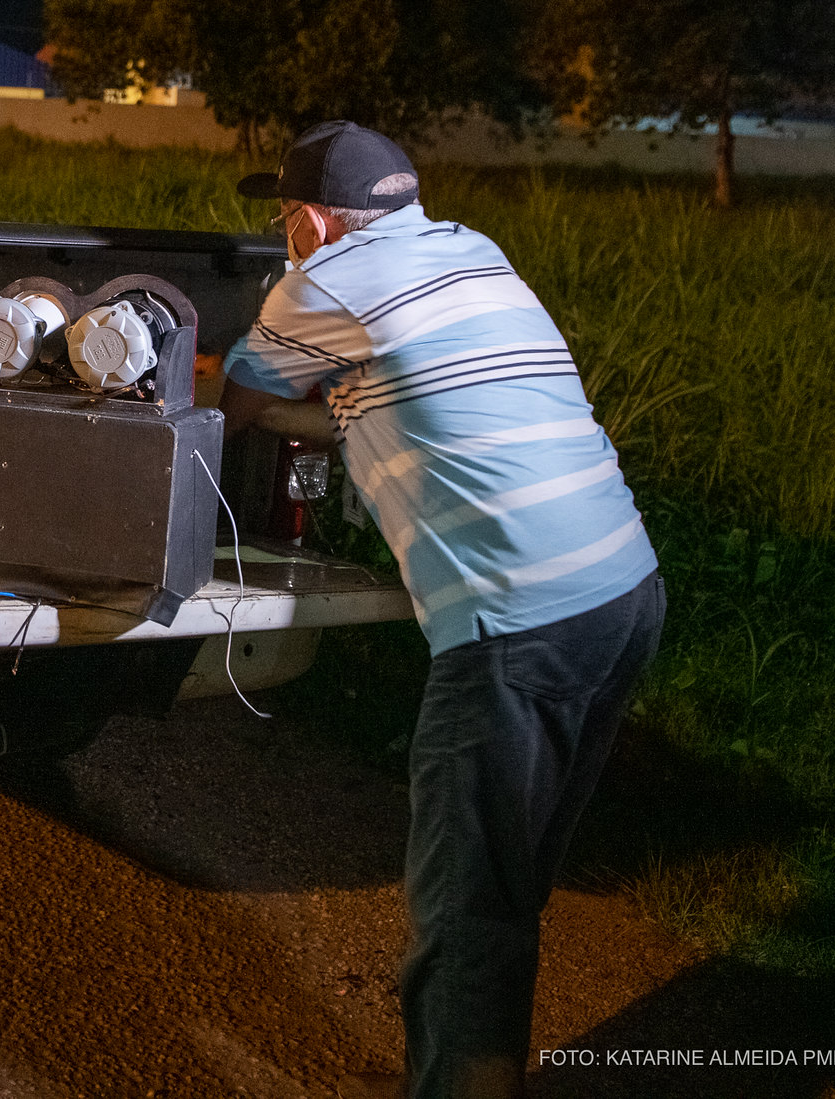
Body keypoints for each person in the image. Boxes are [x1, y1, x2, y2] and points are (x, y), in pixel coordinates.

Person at [219, 122, 663, 1099]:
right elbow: (386, 399)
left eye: (283, 214)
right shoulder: (469, 250)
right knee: (507, 884)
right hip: (621, 594)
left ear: (312, 218)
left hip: (514, 626)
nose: (283, 230)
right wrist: (328, 404)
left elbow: (236, 402)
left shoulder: (322, 281)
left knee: (465, 913)